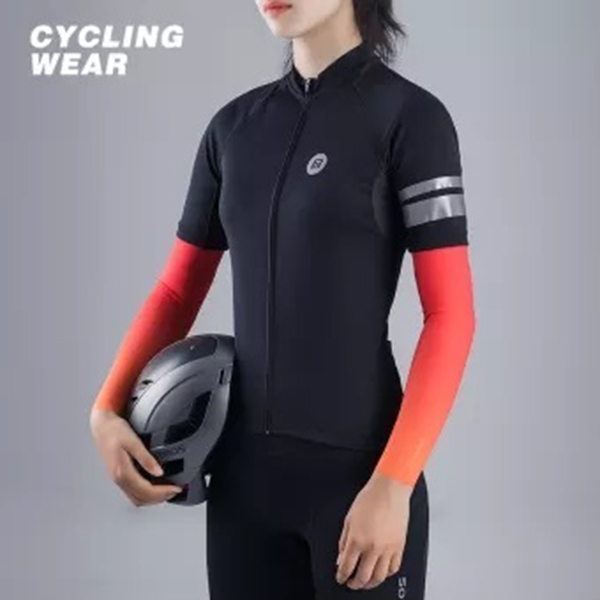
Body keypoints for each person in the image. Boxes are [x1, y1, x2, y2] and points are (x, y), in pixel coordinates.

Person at [89, 0, 476, 598]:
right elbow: (177, 289)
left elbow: (451, 315)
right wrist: (107, 409)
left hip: (362, 482)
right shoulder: (233, 129)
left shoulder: (411, 119)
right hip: (243, 491)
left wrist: (395, 482)